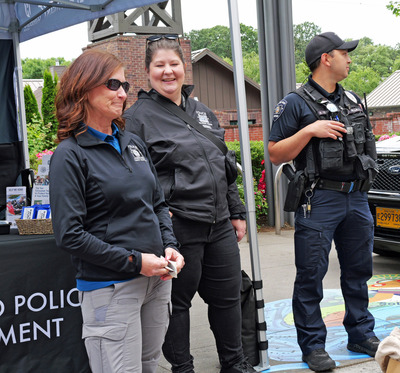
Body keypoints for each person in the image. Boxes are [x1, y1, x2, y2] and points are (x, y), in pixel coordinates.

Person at [123, 35, 255, 373]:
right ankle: (183, 368)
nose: (168, 72)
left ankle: (235, 363)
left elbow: (224, 166)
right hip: (176, 227)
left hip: (219, 223)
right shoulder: (136, 118)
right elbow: (132, 176)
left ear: (185, 67)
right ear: (148, 71)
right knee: (175, 305)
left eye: (174, 64)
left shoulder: (204, 113)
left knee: (227, 299)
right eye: (160, 65)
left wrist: (237, 212)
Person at [49, 49, 185, 373]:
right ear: (84, 87)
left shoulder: (133, 143)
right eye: (112, 84)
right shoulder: (69, 155)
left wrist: (170, 246)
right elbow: (69, 235)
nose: (123, 93)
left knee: (149, 365)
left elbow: (157, 204)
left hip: (156, 279)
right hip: (110, 287)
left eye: (125, 84)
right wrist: (135, 262)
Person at [268, 32, 379, 372]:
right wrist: (308, 131)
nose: (350, 58)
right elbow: (274, 153)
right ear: (326, 58)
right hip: (321, 198)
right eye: (344, 53)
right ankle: (313, 345)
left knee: (359, 271)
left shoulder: (353, 100)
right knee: (311, 274)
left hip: (356, 197)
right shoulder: (295, 103)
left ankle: (361, 333)